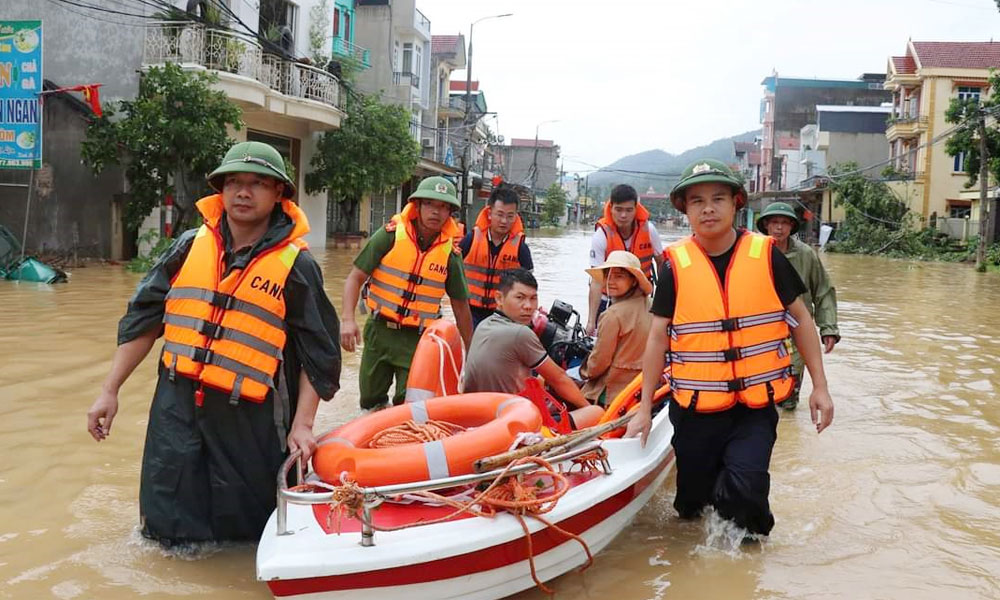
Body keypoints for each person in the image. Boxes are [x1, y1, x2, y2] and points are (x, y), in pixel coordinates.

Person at [86, 141, 341, 545]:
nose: (243, 192)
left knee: (248, 533)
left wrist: (303, 424)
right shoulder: (188, 246)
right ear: (220, 191)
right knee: (163, 522)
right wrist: (109, 390)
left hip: (251, 413)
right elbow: (143, 319)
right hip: (177, 401)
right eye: (234, 182)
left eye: (258, 183)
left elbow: (320, 353)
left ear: (279, 194)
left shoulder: (298, 266)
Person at [625, 159, 834, 538]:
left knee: (747, 492)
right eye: (697, 201)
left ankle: (746, 573)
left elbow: (802, 319)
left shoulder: (766, 255)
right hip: (694, 409)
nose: (708, 208)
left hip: (753, 409)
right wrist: (642, 410)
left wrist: (820, 386)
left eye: (718, 198)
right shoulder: (674, 265)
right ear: (685, 210)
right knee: (692, 506)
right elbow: (657, 339)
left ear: (737, 203)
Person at [341, 176, 473, 410]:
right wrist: (348, 320)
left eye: (444, 207)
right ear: (418, 205)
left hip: (419, 340)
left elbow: (460, 304)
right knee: (370, 401)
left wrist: (470, 349)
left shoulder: (450, 255)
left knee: (410, 406)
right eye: (431, 204)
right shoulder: (390, 235)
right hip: (379, 332)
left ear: (450, 213)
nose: (436, 212)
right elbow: (355, 277)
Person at [463, 269, 605, 429]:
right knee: (596, 412)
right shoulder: (520, 333)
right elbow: (558, 378)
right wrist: (586, 407)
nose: (528, 306)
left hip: (481, 416)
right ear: (499, 298)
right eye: (520, 298)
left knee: (543, 382)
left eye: (533, 298)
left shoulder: (484, 325)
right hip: (510, 423)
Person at [757, 202, 840, 411]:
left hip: (796, 332)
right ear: (766, 225)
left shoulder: (806, 255)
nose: (779, 228)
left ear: (792, 227)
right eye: (775, 222)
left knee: (789, 396)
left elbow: (823, 290)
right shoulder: (753, 254)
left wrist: (828, 328)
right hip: (761, 333)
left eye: (785, 223)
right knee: (759, 395)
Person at [587, 184, 664, 334]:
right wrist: (591, 321)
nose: (623, 215)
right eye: (619, 209)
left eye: (629, 210)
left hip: (640, 299)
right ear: (611, 209)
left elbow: (661, 264)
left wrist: (663, 304)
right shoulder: (601, 235)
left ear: (636, 209)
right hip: (609, 299)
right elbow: (596, 281)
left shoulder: (649, 230)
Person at [579, 250, 652, 406]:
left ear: (633, 281)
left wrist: (584, 371)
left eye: (619, 276)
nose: (611, 281)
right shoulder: (652, 305)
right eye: (608, 275)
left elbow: (599, 363)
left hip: (612, 393)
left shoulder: (612, 315)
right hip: (642, 388)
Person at [459, 184, 533, 328]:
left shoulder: (521, 248)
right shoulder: (471, 239)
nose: (504, 221)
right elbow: (453, 272)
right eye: (499, 214)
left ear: (516, 216)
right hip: (470, 311)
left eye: (510, 216)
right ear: (489, 213)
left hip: (503, 315)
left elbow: (529, 288)